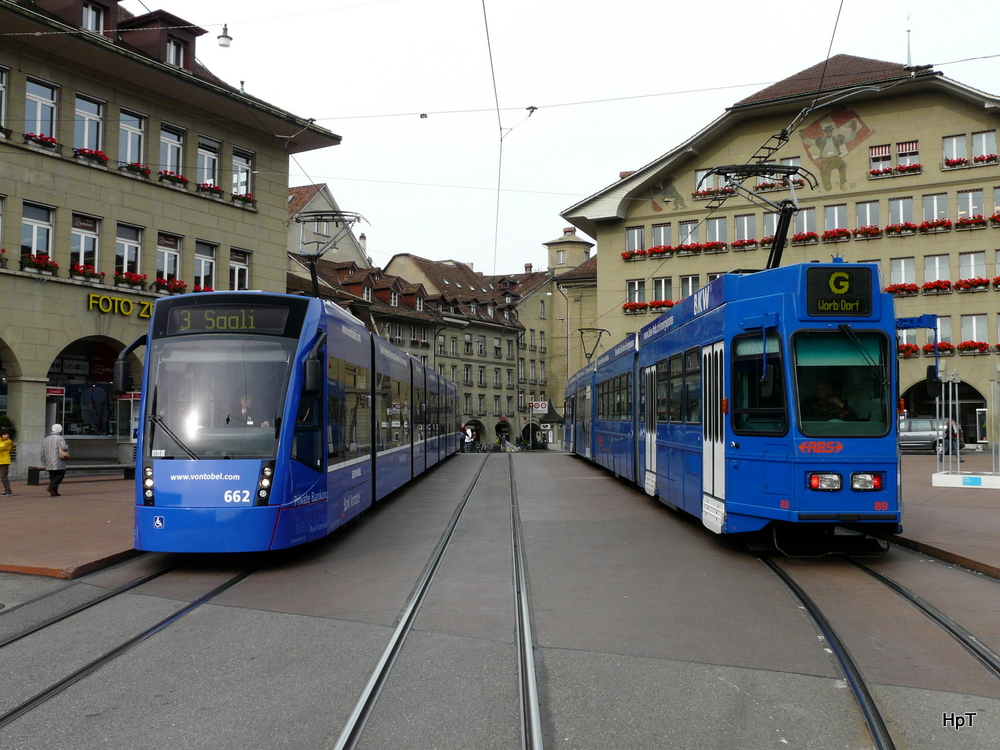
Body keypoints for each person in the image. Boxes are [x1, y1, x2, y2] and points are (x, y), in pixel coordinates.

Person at [41, 423, 69, 496]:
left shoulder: (46, 438)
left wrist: (43, 459)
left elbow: (42, 450)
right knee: (61, 473)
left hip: (48, 460)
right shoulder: (60, 438)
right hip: (57, 459)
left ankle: (54, 491)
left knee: (52, 475)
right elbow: (64, 447)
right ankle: (51, 487)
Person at [0, 427, 14, 495]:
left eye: (7, 434)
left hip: (4, 461)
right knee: (3, 476)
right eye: (4, 434)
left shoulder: (8, 441)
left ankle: (8, 491)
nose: (6, 435)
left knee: (3, 476)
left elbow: (1, 447)